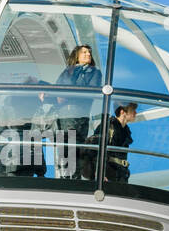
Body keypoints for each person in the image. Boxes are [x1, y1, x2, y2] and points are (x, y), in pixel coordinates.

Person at [54, 44, 102, 179]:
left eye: (89, 52)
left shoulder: (94, 72)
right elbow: (58, 91)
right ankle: (65, 179)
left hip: (80, 115)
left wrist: (68, 94)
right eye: (84, 52)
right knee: (64, 149)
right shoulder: (67, 71)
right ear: (77, 56)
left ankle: (74, 180)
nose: (88, 54)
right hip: (64, 115)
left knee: (76, 149)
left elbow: (89, 92)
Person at [83, 101, 137, 183]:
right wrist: (99, 173)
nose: (135, 113)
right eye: (132, 110)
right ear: (122, 112)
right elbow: (94, 150)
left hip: (120, 173)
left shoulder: (126, 130)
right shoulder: (108, 126)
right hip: (107, 173)